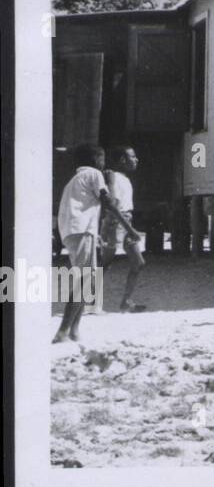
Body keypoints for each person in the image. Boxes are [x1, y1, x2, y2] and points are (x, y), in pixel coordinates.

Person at [53, 145, 139, 343]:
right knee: (85, 281)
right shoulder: (94, 174)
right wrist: (130, 229)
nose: (104, 163)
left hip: (73, 231)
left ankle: (74, 330)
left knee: (88, 278)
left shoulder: (76, 179)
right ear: (95, 159)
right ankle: (62, 331)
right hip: (81, 230)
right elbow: (111, 204)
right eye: (102, 159)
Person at [100, 145, 146, 312]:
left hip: (126, 220)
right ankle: (84, 302)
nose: (136, 160)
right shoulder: (113, 176)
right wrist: (128, 228)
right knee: (104, 264)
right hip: (117, 221)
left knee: (138, 263)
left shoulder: (124, 178)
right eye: (132, 157)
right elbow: (113, 204)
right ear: (122, 160)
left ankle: (126, 302)